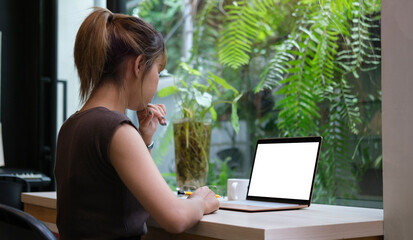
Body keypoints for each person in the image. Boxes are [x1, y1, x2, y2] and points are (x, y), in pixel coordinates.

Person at [54, 7, 219, 240]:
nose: (157, 81)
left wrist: (144, 139)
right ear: (139, 65)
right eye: (158, 71)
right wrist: (200, 201)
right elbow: (175, 218)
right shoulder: (116, 129)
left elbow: (111, 190)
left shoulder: (71, 126)